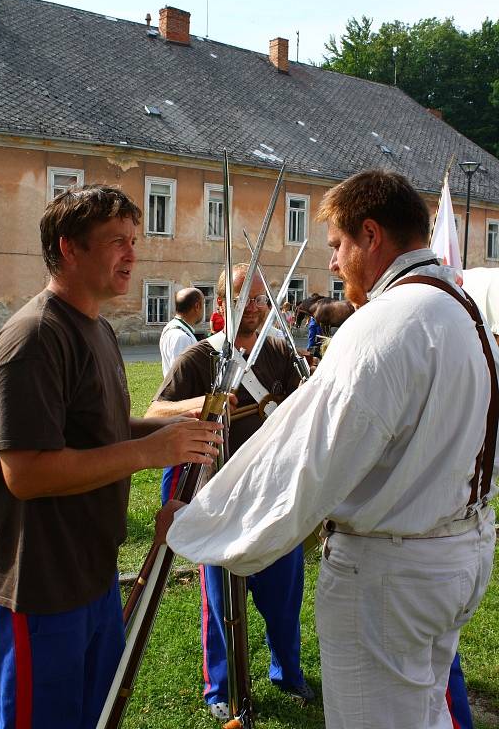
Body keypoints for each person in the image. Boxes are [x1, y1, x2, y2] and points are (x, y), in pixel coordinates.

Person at [156, 170, 498, 729]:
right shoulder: (465, 313)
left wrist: (200, 525)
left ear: (371, 235)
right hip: (454, 557)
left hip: (395, 575)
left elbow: (305, 464)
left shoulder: (385, 324)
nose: (334, 265)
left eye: (337, 246)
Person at [0, 185, 222, 729]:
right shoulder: (34, 338)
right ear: (69, 247)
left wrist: (175, 423)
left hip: (93, 574)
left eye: (133, 240)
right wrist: (147, 452)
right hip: (41, 589)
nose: (133, 254)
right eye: (117, 241)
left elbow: (101, 432)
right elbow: (25, 471)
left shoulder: (94, 327)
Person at [146, 263, 314, 720]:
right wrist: (196, 405)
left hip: (274, 494)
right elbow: (154, 412)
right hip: (216, 495)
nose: (256, 309)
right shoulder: (199, 359)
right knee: (221, 600)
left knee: (284, 593)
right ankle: (220, 686)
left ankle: (288, 672)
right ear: (222, 304)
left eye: (261, 300)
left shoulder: (281, 351)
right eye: (246, 300)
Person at [160, 287, 204, 377]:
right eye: (204, 304)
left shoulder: (172, 327)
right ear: (197, 306)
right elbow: (182, 376)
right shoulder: (181, 337)